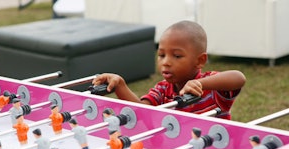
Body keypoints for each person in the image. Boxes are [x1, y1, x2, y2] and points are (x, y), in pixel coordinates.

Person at [93, 21, 246, 120]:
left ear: (200, 61)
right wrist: (120, 85)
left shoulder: (212, 87)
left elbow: (238, 78)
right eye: (161, 55)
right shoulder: (163, 89)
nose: (166, 62)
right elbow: (141, 111)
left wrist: (200, 83)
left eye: (177, 56)